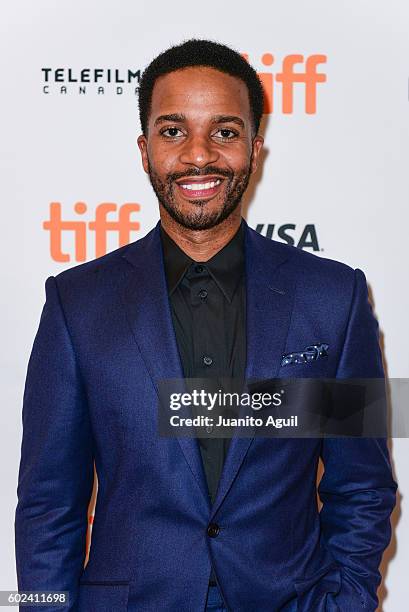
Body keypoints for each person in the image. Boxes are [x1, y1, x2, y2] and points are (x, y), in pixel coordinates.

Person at [15, 39, 397, 611]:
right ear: (144, 151)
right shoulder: (78, 304)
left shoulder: (332, 298)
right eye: (173, 131)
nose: (199, 155)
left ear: (254, 148)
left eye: (224, 131)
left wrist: (344, 601)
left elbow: (362, 486)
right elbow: (49, 504)